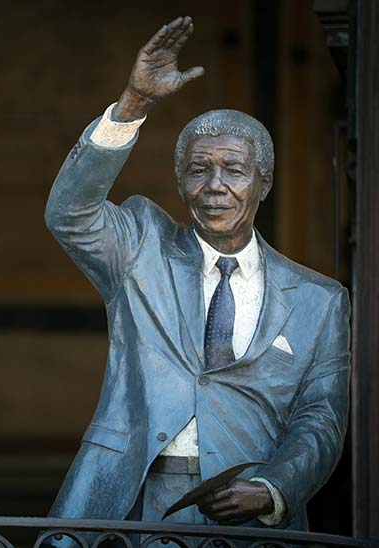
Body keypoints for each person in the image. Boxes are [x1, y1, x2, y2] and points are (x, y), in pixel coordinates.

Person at [45, 17, 349, 533]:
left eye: (233, 170)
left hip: (247, 512)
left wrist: (275, 487)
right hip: (128, 500)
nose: (215, 186)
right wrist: (132, 105)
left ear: (263, 183)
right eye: (199, 169)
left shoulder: (321, 300)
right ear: (180, 180)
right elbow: (69, 214)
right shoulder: (141, 245)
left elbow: (321, 417)